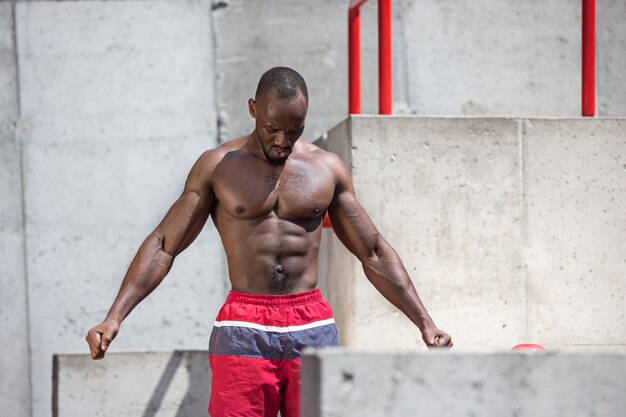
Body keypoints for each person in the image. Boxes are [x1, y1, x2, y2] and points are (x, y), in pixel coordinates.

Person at [85, 67, 452, 417]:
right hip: (244, 326)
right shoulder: (218, 167)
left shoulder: (326, 169)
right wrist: (115, 316)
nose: (282, 141)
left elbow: (371, 250)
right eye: (272, 128)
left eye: (294, 130)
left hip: (310, 323)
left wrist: (425, 322)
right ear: (252, 109)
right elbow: (165, 244)